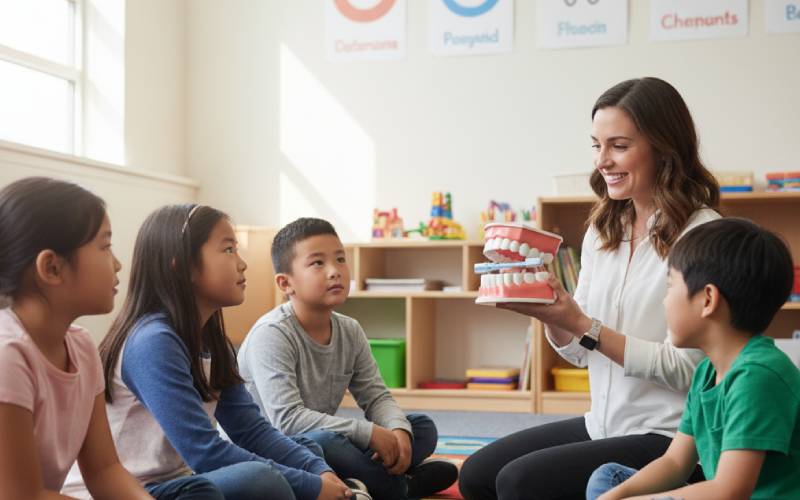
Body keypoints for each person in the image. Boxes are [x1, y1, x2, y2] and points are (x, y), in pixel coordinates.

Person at [459, 77, 721, 500]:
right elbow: (581, 353)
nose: (602, 161)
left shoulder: (704, 234)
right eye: (596, 145)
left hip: (671, 436)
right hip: (603, 423)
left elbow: (693, 371)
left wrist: (585, 324)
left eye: (618, 145)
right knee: (476, 475)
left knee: (517, 483)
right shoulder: (605, 230)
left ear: (664, 148)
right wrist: (550, 313)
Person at [63, 204, 353, 500]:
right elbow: (204, 452)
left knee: (310, 449)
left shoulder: (213, 342)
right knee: (259, 480)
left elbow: (250, 430)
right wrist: (311, 487)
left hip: (180, 481)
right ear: (183, 266)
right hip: (135, 492)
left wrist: (319, 472)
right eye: (228, 250)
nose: (242, 264)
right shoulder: (153, 341)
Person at [238, 217, 459, 500]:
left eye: (340, 259)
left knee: (420, 426)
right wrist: (367, 433)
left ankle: (360, 482)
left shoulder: (349, 329)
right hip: (277, 449)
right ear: (286, 283)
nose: (335, 271)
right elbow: (287, 421)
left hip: (322, 439)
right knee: (325, 442)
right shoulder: (272, 335)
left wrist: (396, 429)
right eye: (318, 263)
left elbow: (376, 397)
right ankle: (401, 487)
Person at [587, 218, 799, 500]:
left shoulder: (758, 376)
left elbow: (729, 490)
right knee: (608, 481)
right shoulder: (707, 373)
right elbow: (675, 463)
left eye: (670, 286)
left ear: (708, 299)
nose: (665, 301)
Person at [0, 177, 153, 499]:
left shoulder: (81, 346)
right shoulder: (8, 354)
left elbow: (104, 470)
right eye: (105, 246)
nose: (117, 263)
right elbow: (21, 496)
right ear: (52, 268)